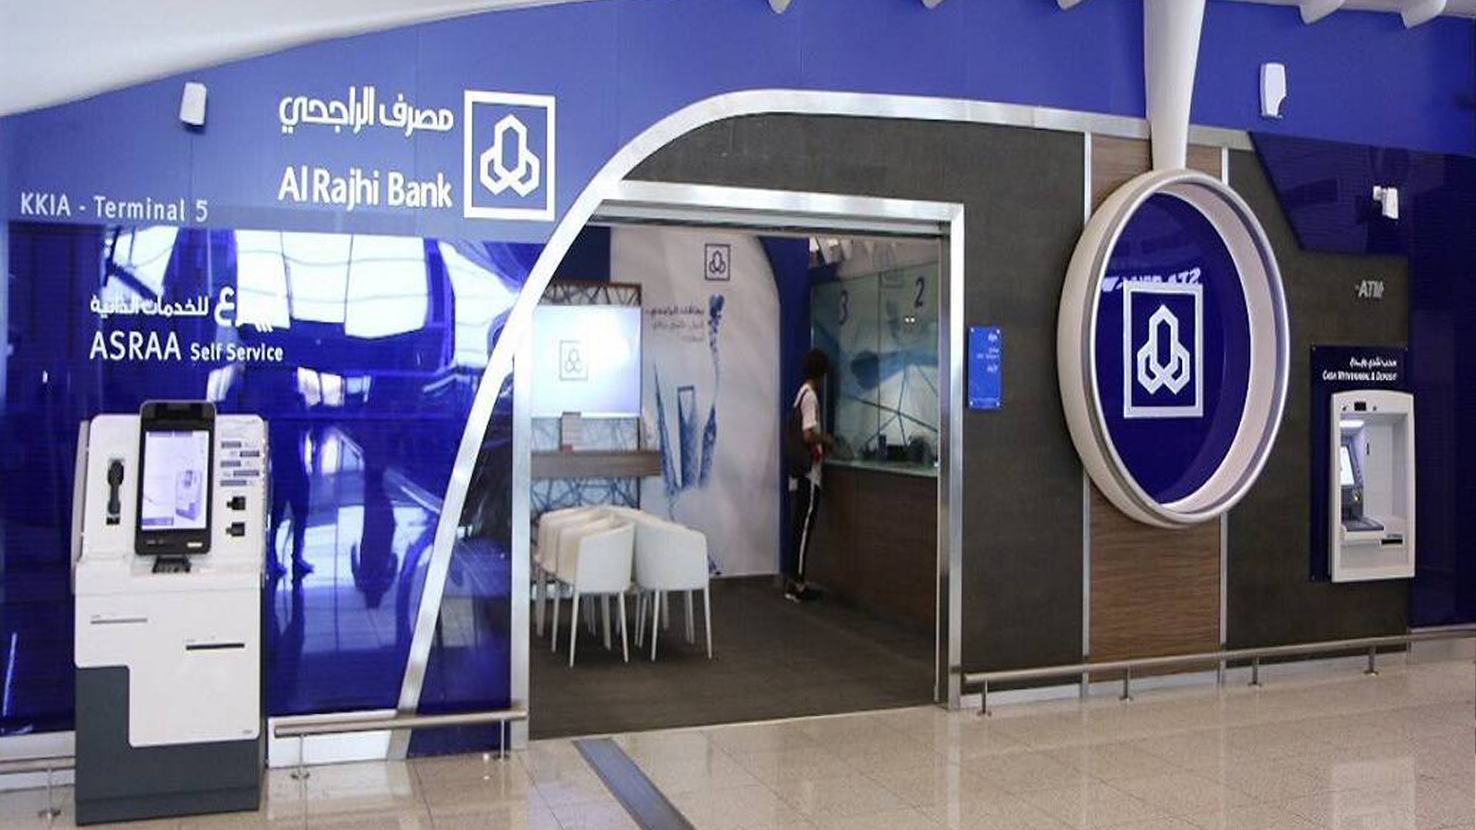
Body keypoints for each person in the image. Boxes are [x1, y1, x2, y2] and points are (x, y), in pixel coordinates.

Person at [786, 349, 833, 602]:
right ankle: (799, 584)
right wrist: (826, 438)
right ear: (822, 373)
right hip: (809, 473)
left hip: (800, 471)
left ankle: (793, 581)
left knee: (798, 526)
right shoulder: (811, 397)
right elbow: (807, 434)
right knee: (804, 527)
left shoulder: (800, 393)